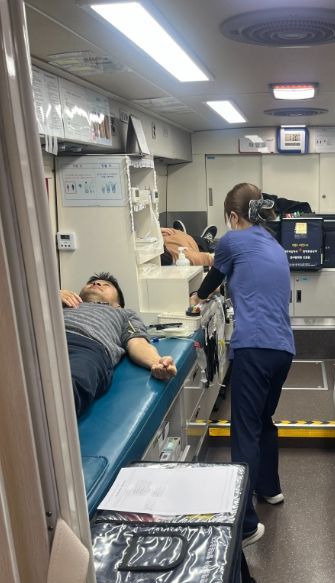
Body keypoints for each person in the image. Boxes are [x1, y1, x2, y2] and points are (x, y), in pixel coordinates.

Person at [190, 183, 295, 547]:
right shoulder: (273, 243)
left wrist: (197, 298)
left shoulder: (232, 240)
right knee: (263, 420)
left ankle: (246, 526)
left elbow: (212, 282)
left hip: (253, 347)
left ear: (233, 216)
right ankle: (270, 488)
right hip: (283, 350)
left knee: (244, 430)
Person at [61, 272, 177, 416]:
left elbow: (137, 342)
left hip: (87, 347)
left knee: (71, 384)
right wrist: (52, 296)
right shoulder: (61, 303)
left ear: (117, 305)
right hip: (44, 341)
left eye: (106, 285)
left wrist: (157, 362)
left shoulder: (124, 314)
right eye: (92, 282)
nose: (97, 284)